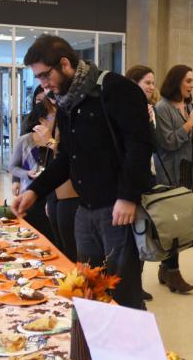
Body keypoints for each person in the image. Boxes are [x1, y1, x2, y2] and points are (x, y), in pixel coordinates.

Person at [12, 34, 153, 310]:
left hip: (117, 211)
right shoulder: (66, 101)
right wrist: (35, 192)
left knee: (123, 295)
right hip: (84, 211)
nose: (43, 84)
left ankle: (130, 350)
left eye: (44, 75)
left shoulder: (115, 88)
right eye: (38, 78)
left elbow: (140, 146)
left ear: (64, 63)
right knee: (89, 291)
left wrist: (127, 197)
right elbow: (66, 158)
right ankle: (96, 349)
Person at [153, 64, 193, 294]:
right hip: (169, 172)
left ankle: (166, 268)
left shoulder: (189, 105)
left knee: (181, 221)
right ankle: (173, 272)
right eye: (188, 81)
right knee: (172, 223)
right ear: (176, 82)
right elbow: (168, 142)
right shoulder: (162, 108)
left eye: (192, 81)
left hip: (187, 170)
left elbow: (185, 138)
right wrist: (189, 125)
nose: (192, 85)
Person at [29, 87, 79, 263]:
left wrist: (51, 142)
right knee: (60, 244)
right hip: (54, 195)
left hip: (70, 195)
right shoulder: (49, 131)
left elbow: (71, 158)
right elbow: (45, 166)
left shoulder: (70, 125)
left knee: (71, 248)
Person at [125, 64, 161, 302]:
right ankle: (129, 286)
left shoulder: (149, 110)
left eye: (152, 82)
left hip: (147, 178)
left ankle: (136, 283)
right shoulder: (125, 110)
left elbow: (155, 144)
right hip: (129, 184)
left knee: (142, 233)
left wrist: (148, 121)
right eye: (147, 82)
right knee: (129, 237)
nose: (151, 87)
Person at [9, 101, 55, 242]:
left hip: (52, 196)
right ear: (42, 120)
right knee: (33, 236)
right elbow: (13, 167)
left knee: (52, 237)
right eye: (53, 116)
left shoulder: (57, 142)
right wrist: (25, 175)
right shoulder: (25, 140)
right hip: (29, 193)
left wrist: (52, 143)